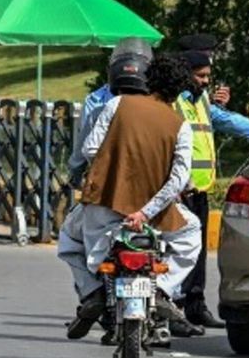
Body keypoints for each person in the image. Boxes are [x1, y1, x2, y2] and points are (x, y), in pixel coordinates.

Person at [58, 45, 202, 342]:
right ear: (178, 93)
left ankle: (92, 292)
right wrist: (145, 212)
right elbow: (179, 179)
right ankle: (162, 290)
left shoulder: (117, 105)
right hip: (153, 217)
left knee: (69, 239)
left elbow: (89, 149)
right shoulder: (180, 126)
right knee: (192, 233)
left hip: (103, 206)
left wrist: (115, 172)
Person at [174, 48, 249, 330]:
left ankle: (194, 306)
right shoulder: (173, 101)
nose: (206, 81)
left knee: (196, 253)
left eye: (208, 75)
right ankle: (171, 309)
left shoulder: (201, 100)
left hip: (200, 188)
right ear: (185, 74)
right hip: (177, 190)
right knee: (176, 252)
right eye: (201, 75)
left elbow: (229, 122)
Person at [68, 38, 151, 187]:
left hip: (108, 187)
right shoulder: (159, 111)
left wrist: (76, 173)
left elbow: (83, 151)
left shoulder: (99, 111)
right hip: (148, 188)